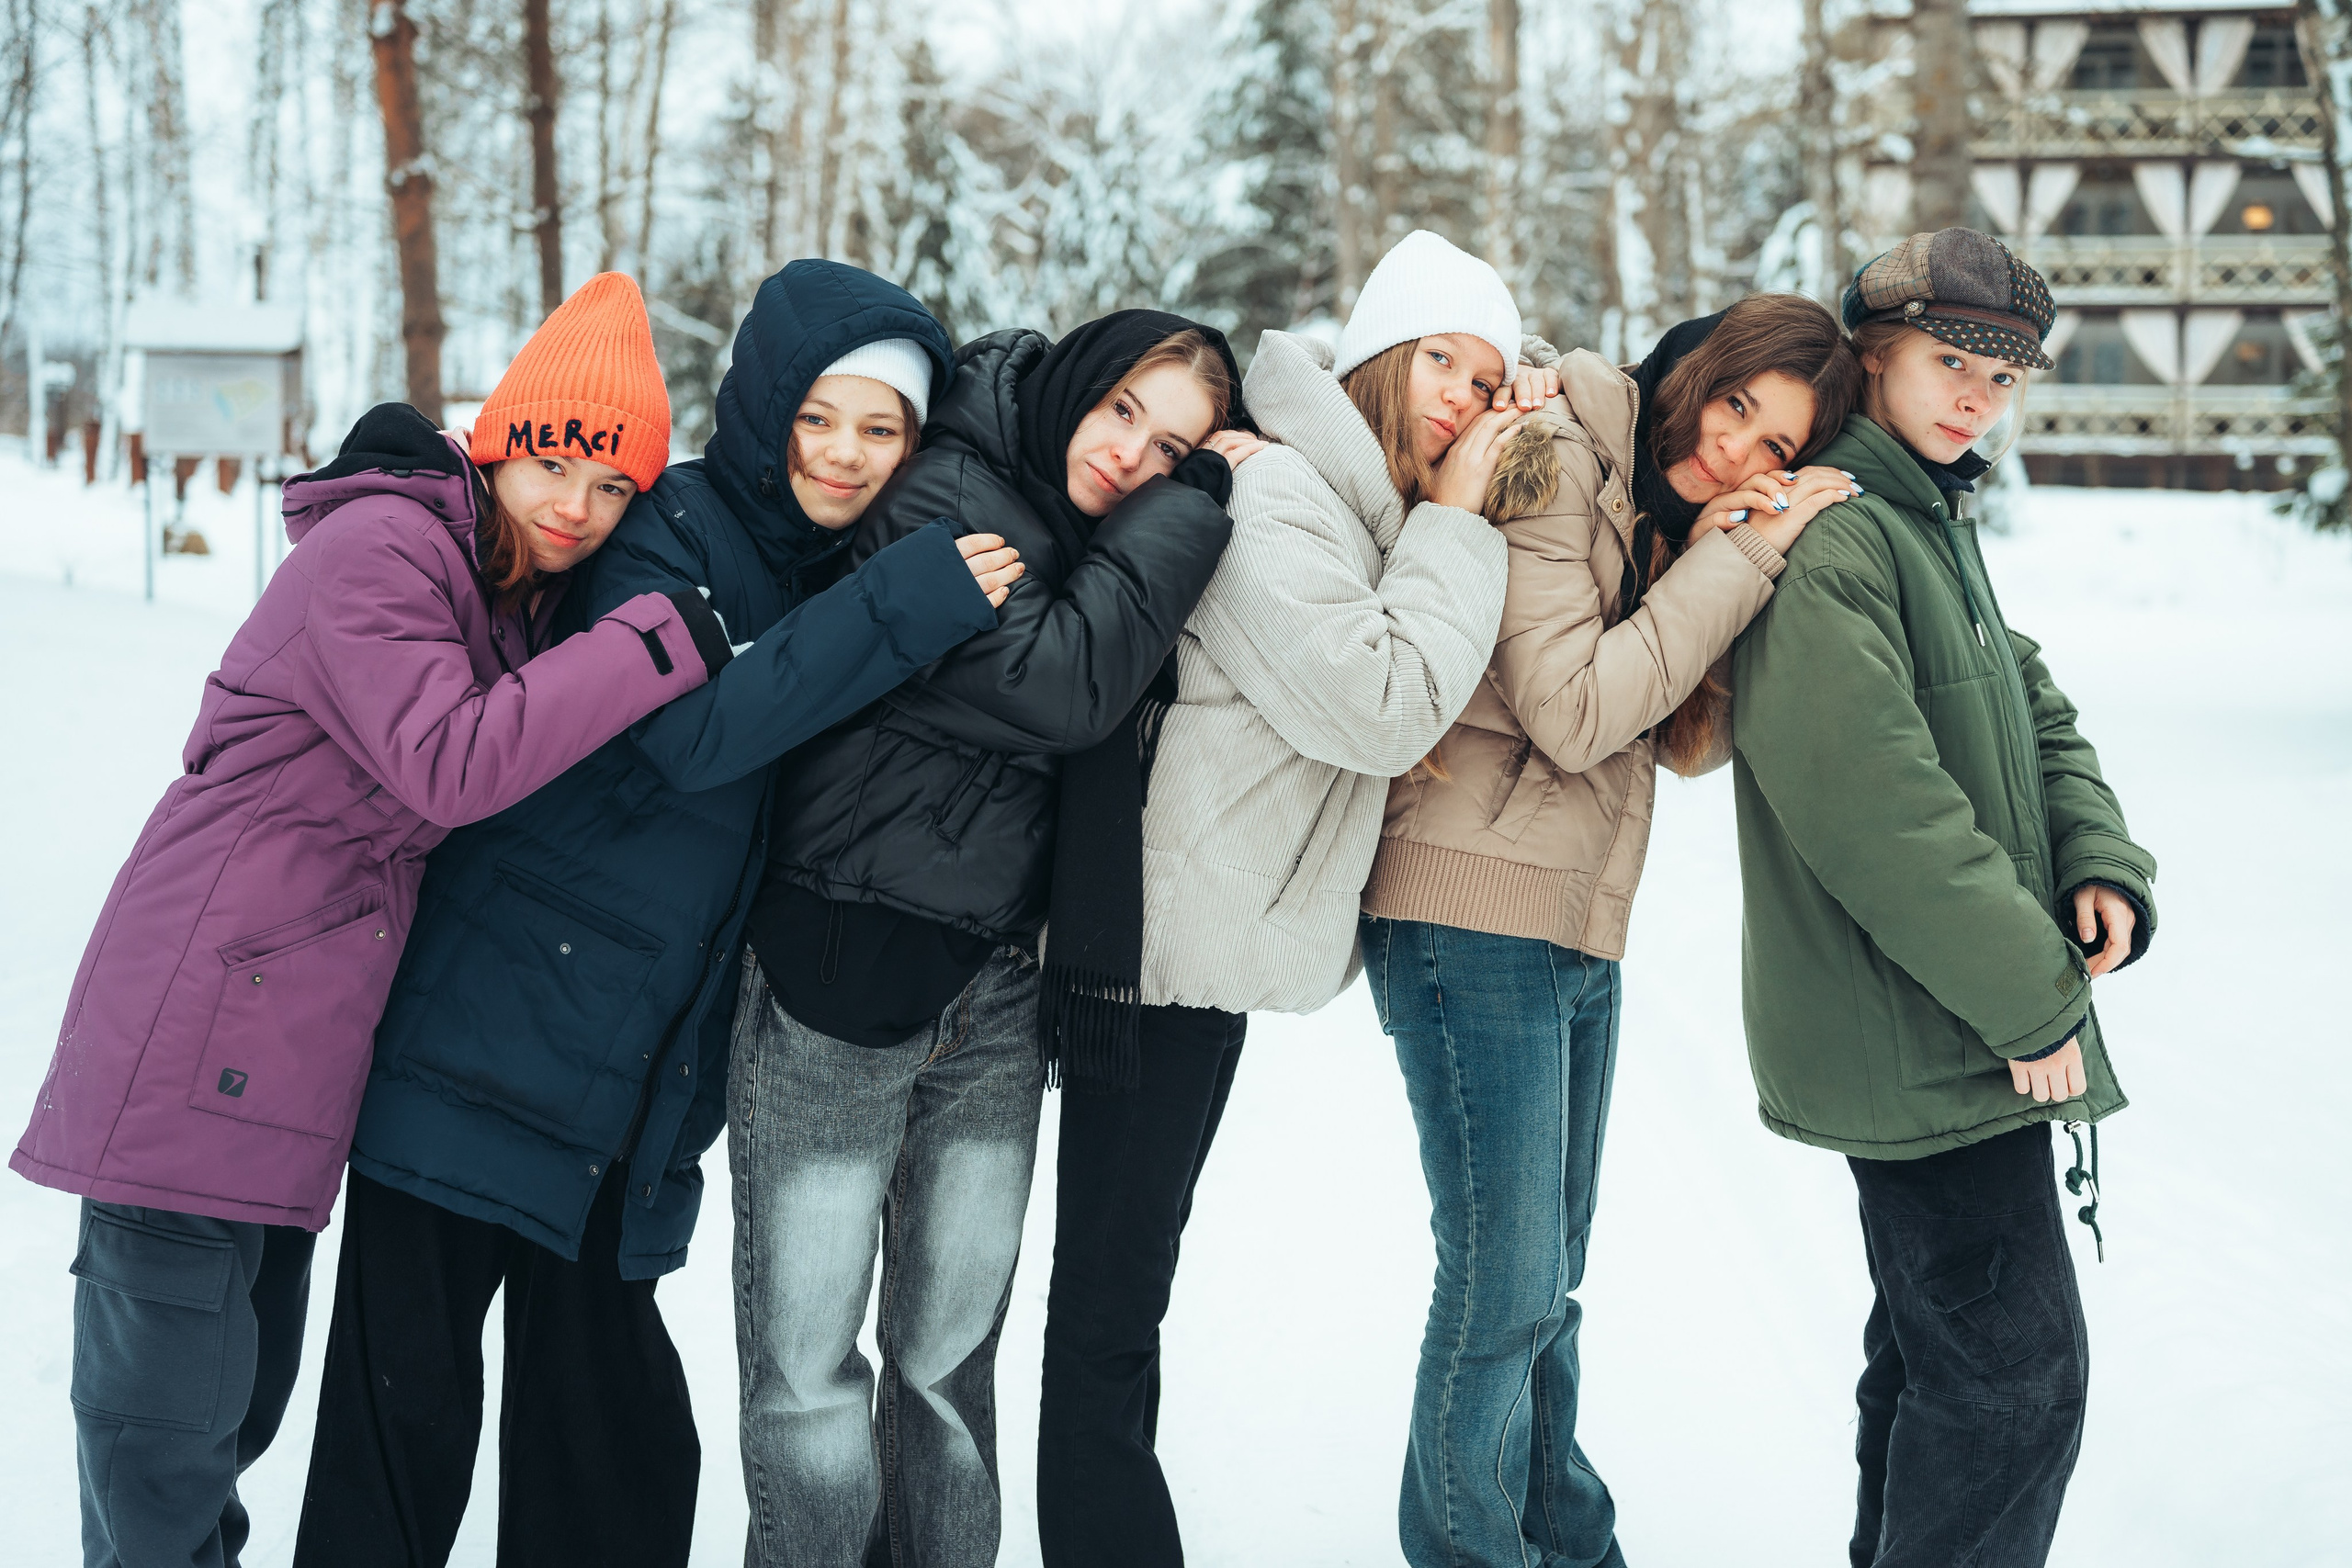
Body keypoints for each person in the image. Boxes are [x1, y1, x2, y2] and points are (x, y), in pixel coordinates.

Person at [292, 262, 1016, 1568]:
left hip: (628, 1095)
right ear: (764, 406)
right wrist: (900, 604)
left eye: (883, 429)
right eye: (820, 416)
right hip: (486, 1045)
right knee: (397, 1452)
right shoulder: (662, 531)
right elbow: (694, 736)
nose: (846, 455)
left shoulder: (833, 564)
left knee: (611, 1462)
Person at [12, 272, 731, 1568]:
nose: (580, 504)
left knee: (228, 1424)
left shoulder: (501, 592)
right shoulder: (383, 550)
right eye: (561, 458)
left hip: (286, 1064)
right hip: (195, 1034)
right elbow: (449, 760)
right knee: (162, 1453)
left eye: (615, 485)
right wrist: (649, 643)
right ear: (503, 439)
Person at [1034, 230, 1536, 1567]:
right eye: (1442, 360)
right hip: (1154, 959)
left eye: (1488, 384)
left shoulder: (1331, 492)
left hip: (1192, 950)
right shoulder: (1285, 500)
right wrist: (1459, 519)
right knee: (1106, 1315)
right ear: (1375, 354)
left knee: (1116, 1304)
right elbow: (1380, 703)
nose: (1464, 400)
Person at [732, 310, 1248, 1568]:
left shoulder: (1077, 538)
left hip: (997, 996)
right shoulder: (942, 499)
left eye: (1174, 447)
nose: (1136, 456)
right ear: (1072, 384)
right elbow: (1067, 687)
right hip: (834, 979)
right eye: (1123, 411)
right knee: (807, 1372)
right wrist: (1194, 507)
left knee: (948, 1373)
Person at [1356, 290, 1864, 1568]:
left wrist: (1732, 555)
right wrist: (1736, 558)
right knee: (1502, 1280)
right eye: (1735, 403)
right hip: (1467, 905)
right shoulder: (1554, 455)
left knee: (1544, 1282)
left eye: (1777, 451)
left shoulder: (1659, 513)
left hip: (1574, 921)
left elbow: (1682, 736)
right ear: (1690, 365)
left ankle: (1564, 1542)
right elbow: (1576, 714)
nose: (1738, 452)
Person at [1728, 229, 2156, 1568]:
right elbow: (1882, 818)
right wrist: (2038, 1007)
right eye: (1951, 361)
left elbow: (2030, 704)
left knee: (1935, 1367)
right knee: (2013, 1384)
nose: (1980, 395)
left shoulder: (1925, 516)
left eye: (2006, 375)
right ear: (1873, 356)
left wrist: (2099, 858)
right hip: (1933, 1029)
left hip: (1952, 1022)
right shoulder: (1842, 536)